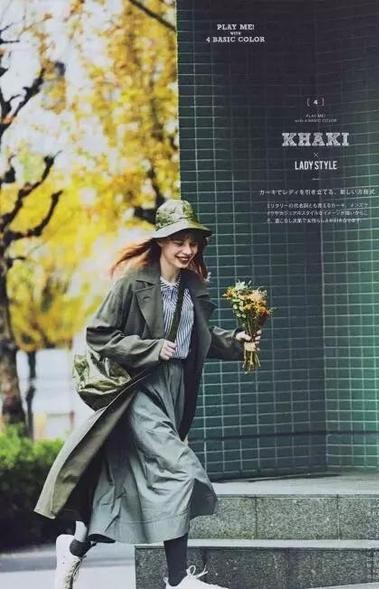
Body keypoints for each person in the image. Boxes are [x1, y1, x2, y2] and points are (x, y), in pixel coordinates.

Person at [35, 199, 261, 589]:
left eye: (192, 242)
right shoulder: (132, 282)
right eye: (179, 241)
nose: (187, 250)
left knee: (128, 484)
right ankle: (178, 580)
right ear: (161, 242)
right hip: (139, 390)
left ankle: (73, 548)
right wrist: (150, 348)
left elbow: (199, 338)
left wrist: (236, 341)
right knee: (181, 471)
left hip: (175, 391)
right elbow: (99, 335)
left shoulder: (192, 287)